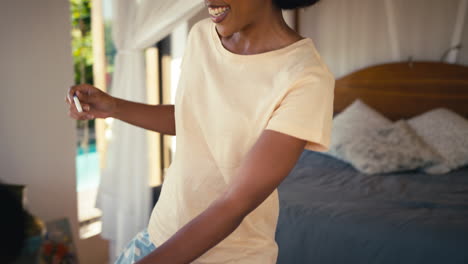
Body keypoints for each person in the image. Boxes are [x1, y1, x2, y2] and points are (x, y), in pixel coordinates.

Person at [66, 0, 334, 263]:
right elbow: (190, 118)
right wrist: (114, 106)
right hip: (162, 235)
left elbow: (234, 203)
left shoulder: (306, 77)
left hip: (232, 256)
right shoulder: (202, 36)